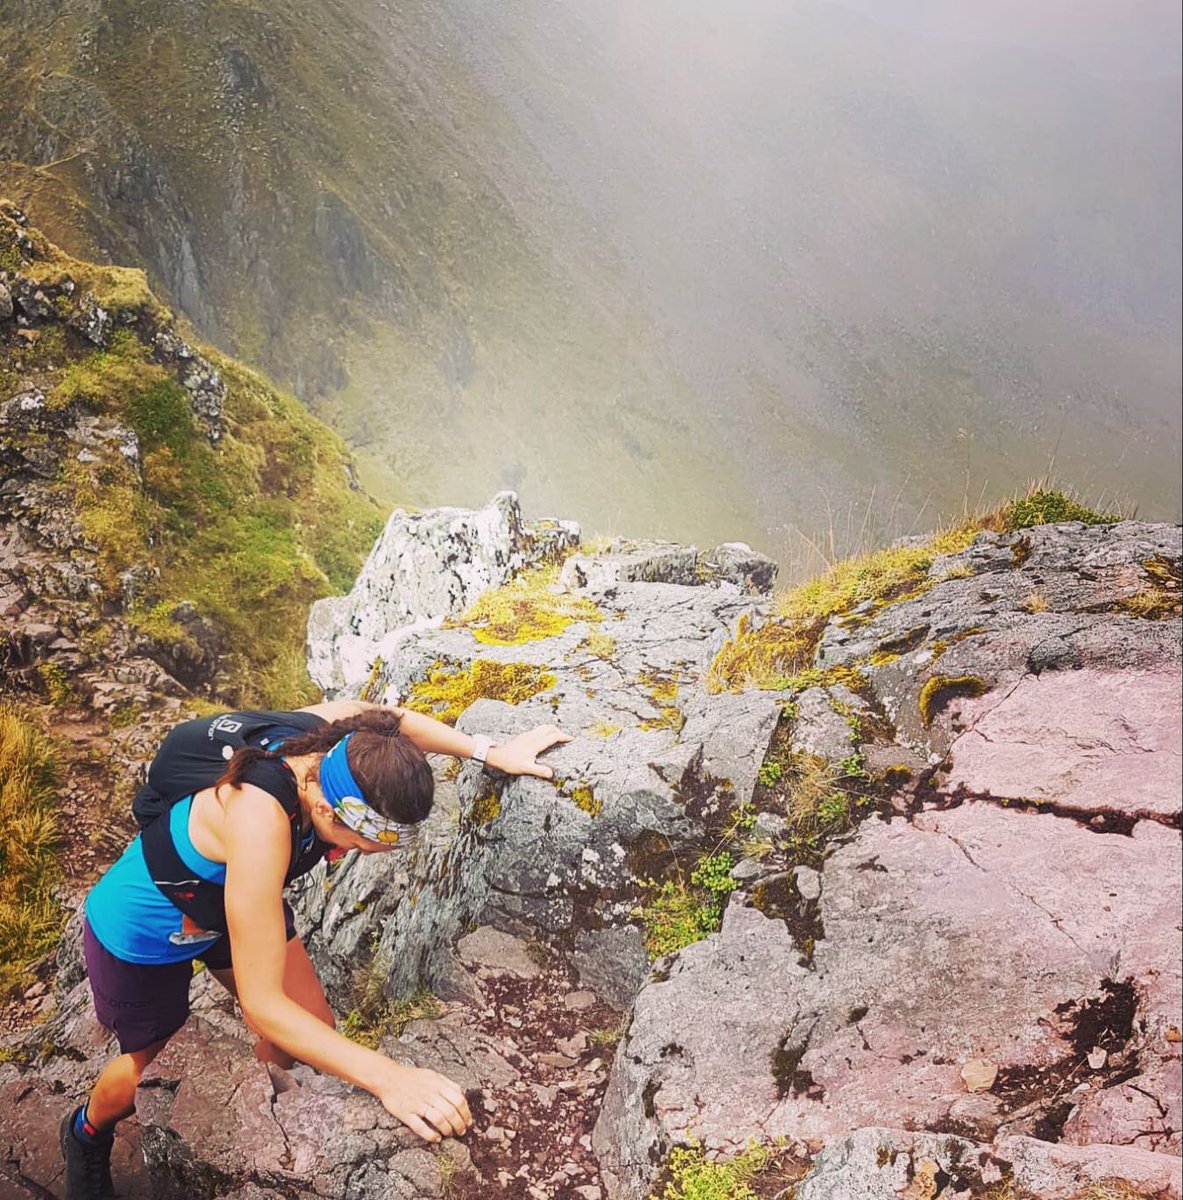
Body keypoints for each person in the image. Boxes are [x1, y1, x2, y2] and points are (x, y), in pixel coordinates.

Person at [59, 697, 570, 1199]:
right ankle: (86, 1132)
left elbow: (390, 722)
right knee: (149, 1066)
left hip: (232, 899)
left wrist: (488, 750)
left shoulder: (332, 741)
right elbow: (262, 1007)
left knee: (310, 1027)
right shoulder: (262, 821)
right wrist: (390, 1078)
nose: (342, 854)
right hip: (143, 925)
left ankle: (247, 1112)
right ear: (323, 805)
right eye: (349, 843)